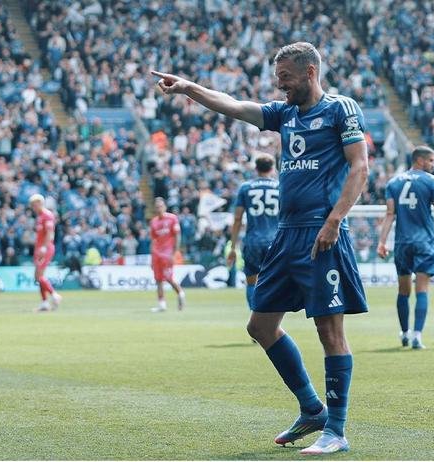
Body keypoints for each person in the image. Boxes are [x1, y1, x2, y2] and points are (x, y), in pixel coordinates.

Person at [152, 41, 369, 454]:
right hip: (285, 235)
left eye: (285, 77)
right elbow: (234, 105)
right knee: (260, 327)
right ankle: (313, 409)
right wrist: (187, 87)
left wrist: (335, 220)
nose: (279, 84)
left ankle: (336, 431)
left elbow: (360, 167)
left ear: (309, 72)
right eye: (277, 77)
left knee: (329, 330)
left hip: (321, 232)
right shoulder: (284, 114)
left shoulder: (341, 109)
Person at [376, 146, 434, 349]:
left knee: (403, 290)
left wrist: (382, 242)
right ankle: (417, 336)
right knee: (422, 289)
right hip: (424, 242)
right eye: (431, 161)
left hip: (402, 243)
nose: (433, 165)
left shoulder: (393, 182)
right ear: (419, 160)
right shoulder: (431, 181)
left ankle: (404, 333)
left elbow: (389, 215)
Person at [227, 154, 279, 310]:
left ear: (256, 169)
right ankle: (272, 318)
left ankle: (255, 317)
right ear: (272, 168)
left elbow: (237, 218)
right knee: (275, 281)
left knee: (252, 281)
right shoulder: (280, 187)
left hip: (253, 241)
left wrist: (233, 247)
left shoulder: (246, 187)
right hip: (275, 241)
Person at [149, 197, 185, 312]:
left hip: (168, 254)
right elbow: (153, 240)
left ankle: (180, 293)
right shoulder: (153, 221)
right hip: (157, 255)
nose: (159, 209)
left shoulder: (172, 218)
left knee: (169, 278)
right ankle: (162, 304)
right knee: (158, 279)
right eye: (157, 207)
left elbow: (177, 236)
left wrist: (174, 253)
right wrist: (151, 257)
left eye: (160, 206)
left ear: (164, 207)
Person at [29, 194, 61, 312]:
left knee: (39, 275)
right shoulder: (39, 216)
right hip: (40, 248)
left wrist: (43, 248)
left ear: (40, 203)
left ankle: (54, 295)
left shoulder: (47, 215)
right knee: (38, 276)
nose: (33, 207)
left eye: (34, 204)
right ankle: (45, 303)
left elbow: (50, 233)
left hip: (45, 248)